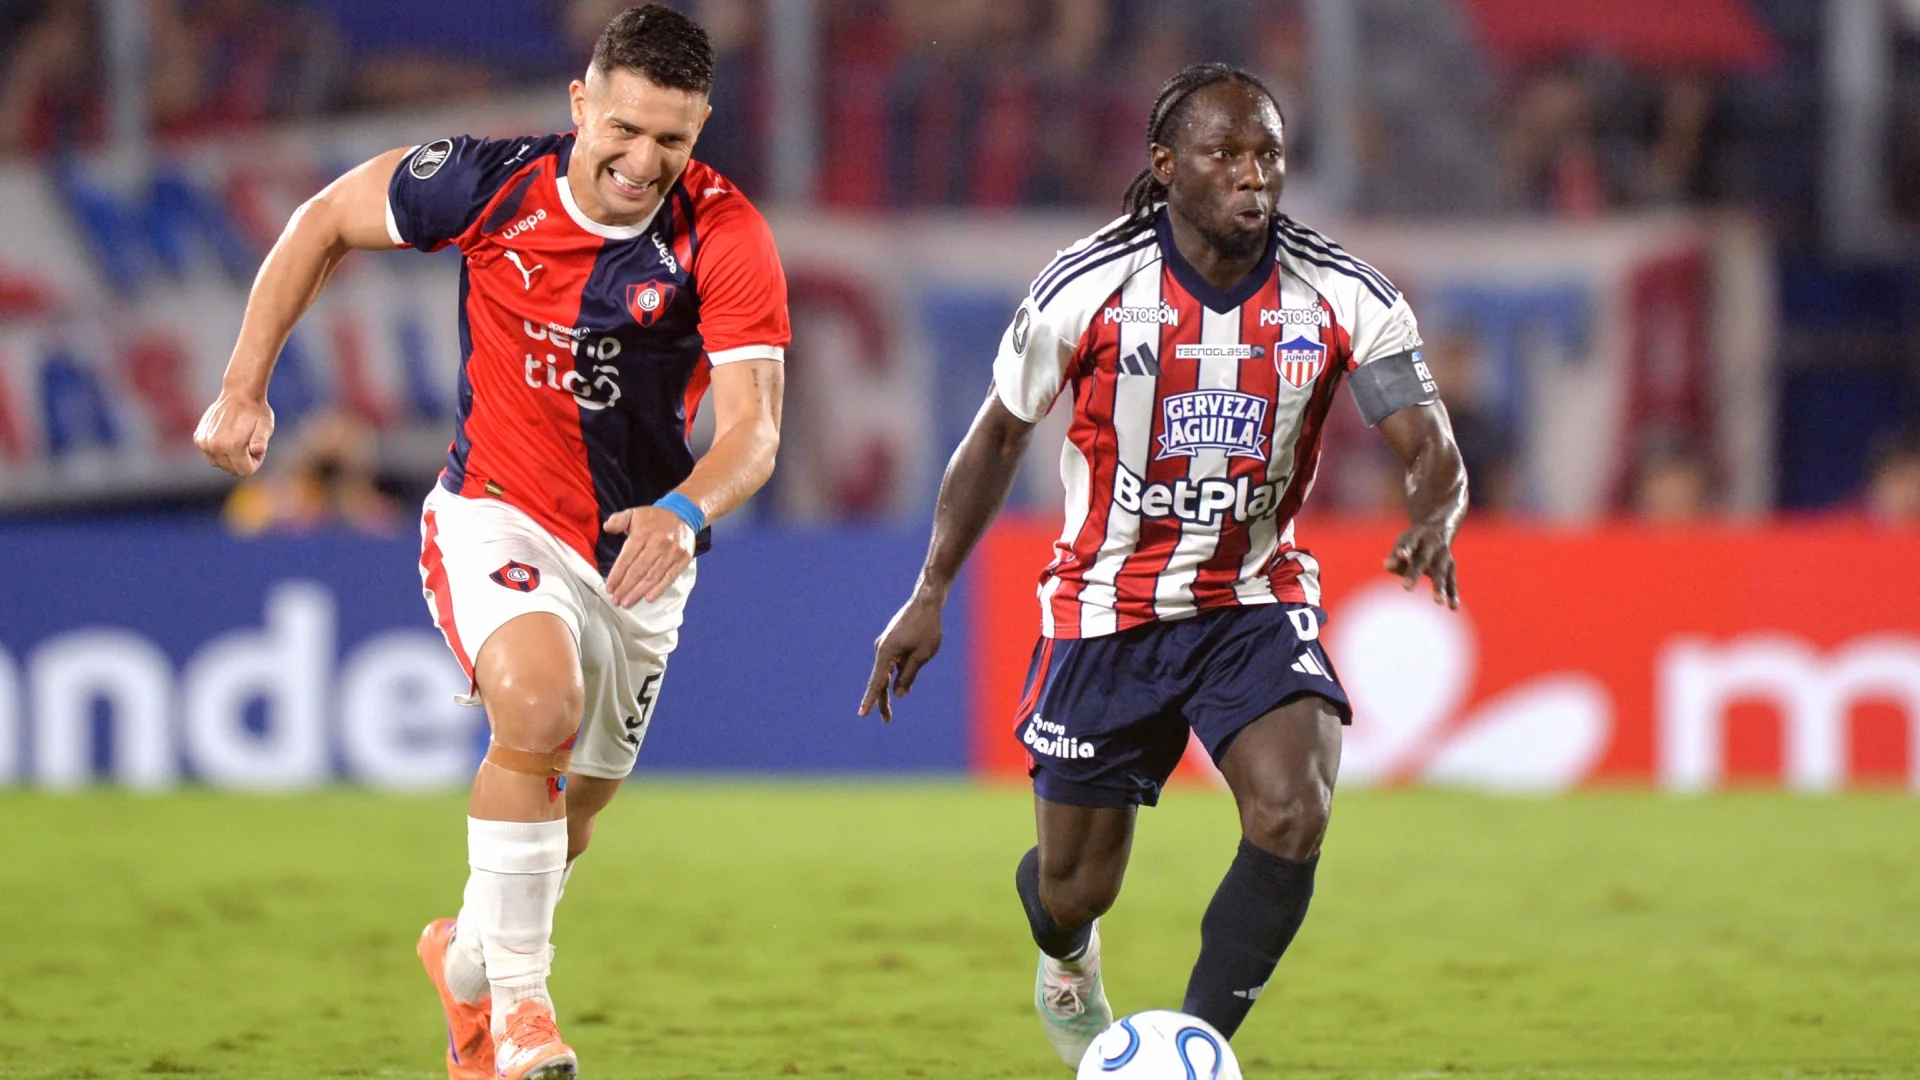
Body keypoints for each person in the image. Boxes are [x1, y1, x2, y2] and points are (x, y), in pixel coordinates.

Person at [193, 6, 788, 1078]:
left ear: (698, 132)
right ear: (580, 104)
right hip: (494, 511)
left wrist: (686, 511)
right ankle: (522, 1016)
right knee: (537, 707)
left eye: (671, 139)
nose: (642, 160)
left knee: (573, 817)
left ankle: (465, 963)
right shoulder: (488, 183)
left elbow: (755, 431)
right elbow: (324, 219)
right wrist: (244, 388)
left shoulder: (723, 233)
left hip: (638, 552)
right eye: (625, 129)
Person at [861, 63, 1466, 1066]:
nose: (1253, 174)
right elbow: (999, 436)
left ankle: (1191, 1047)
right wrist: (929, 593)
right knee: (1075, 889)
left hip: (1252, 599)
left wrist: (1435, 512)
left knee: (1294, 809)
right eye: (1225, 152)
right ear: (1166, 164)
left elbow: (1431, 445)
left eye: (1268, 153)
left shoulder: (1345, 293)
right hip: (1108, 606)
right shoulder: (1088, 284)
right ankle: (1067, 956)